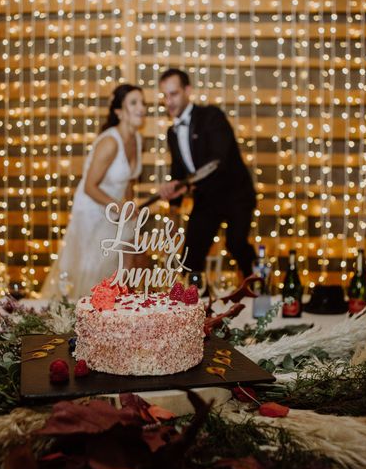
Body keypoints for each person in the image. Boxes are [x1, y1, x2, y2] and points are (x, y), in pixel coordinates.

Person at [41, 84, 145, 299]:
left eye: (143, 103)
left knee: (122, 264)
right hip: (93, 210)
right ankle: (81, 314)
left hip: (116, 210)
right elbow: (90, 187)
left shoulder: (136, 138)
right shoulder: (109, 142)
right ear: (118, 111)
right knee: (91, 268)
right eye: (134, 103)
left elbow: (128, 181)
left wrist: (130, 206)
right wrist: (119, 206)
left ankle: (114, 314)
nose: (141, 108)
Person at [158, 69, 257, 277]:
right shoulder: (172, 132)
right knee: (190, 257)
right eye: (165, 96)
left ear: (187, 90)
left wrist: (184, 184)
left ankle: (256, 286)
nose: (169, 102)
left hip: (235, 195)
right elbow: (177, 169)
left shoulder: (211, 116)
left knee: (236, 244)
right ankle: (197, 305)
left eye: (174, 94)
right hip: (206, 199)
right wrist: (174, 204)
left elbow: (216, 161)